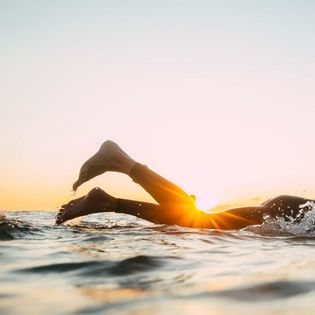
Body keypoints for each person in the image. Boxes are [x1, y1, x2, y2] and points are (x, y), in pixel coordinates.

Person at [56, 140, 314, 229]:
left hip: (290, 211)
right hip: (290, 213)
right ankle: (122, 165)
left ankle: (109, 198)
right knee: (197, 222)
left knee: (196, 221)